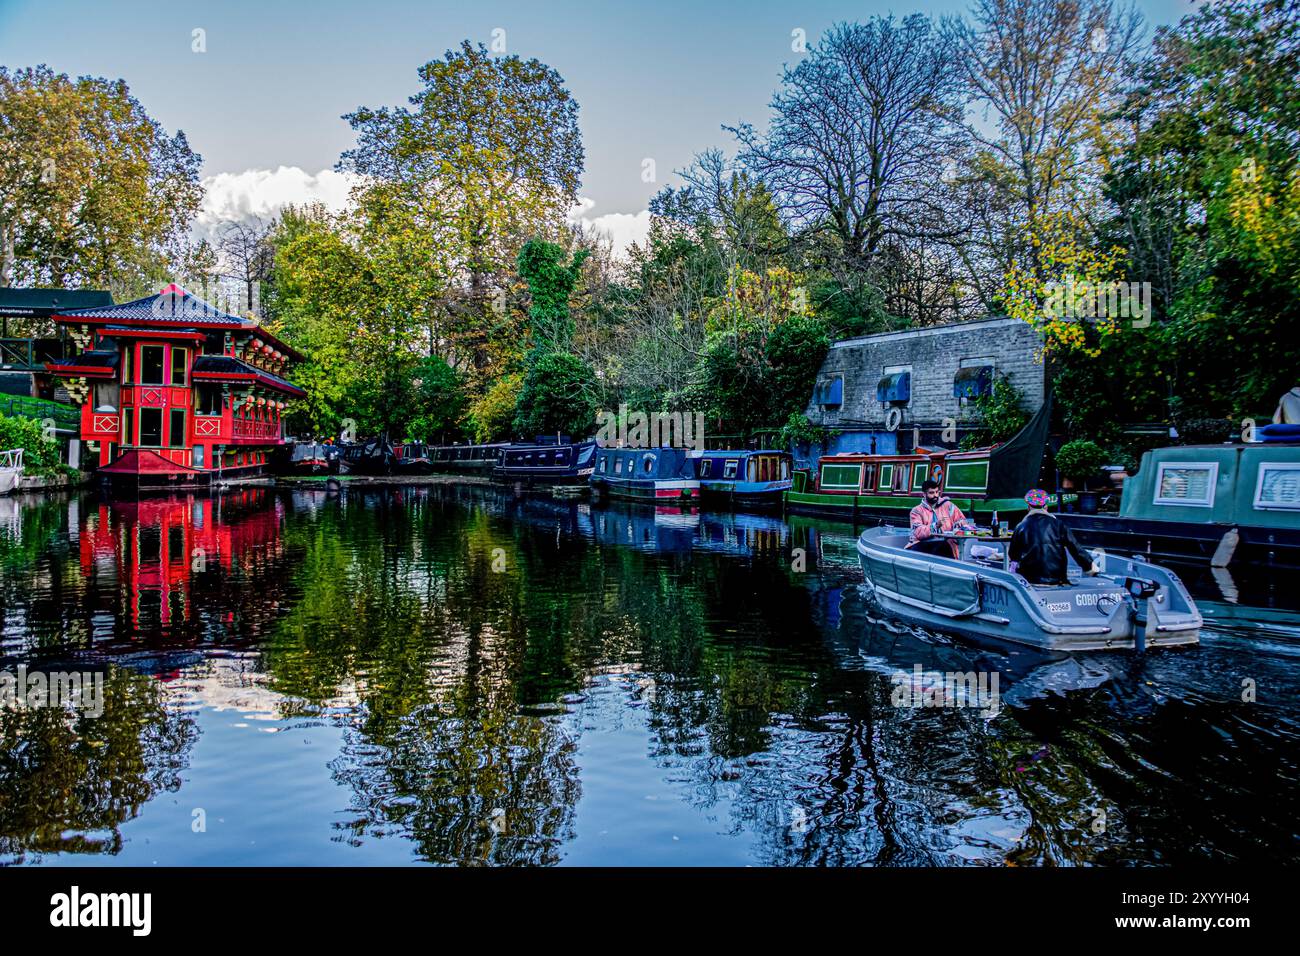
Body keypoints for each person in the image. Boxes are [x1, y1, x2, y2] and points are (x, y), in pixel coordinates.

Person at [1010, 489, 1099, 585]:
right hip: (1056, 578)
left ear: (1028, 507)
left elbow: (1013, 555)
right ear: (1046, 507)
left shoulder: (1021, 526)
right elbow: (1074, 547)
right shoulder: (1058, 524)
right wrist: (1089, 567)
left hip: (1029, 580)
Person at [907, 479, 971, 558]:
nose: (935, 495)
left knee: (943, 547)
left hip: (945, 543)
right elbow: (918, 532)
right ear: (924, 494)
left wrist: (960, 524)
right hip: (922, 543)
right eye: (931, 493)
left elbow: (963, 521)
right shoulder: (916, 511)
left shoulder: (948, 505)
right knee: (919, 551)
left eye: (937, 492)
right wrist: (935, 526)